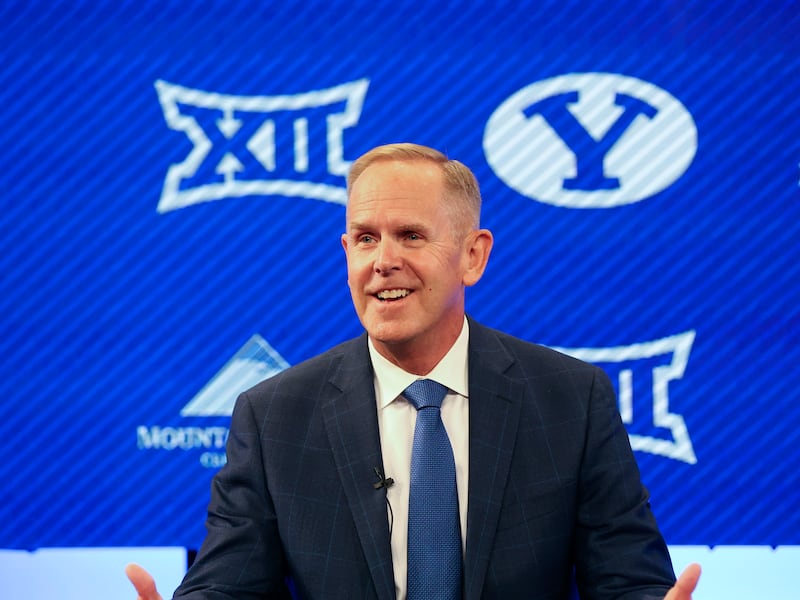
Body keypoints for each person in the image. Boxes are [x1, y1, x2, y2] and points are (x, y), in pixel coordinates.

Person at [127, 143, 701, 599]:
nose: (383, 262)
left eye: (411, 236)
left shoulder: (571, 401)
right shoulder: (275, 414)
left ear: (472, 256)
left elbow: (627, 579)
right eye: (366, 239)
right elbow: (229, 584)